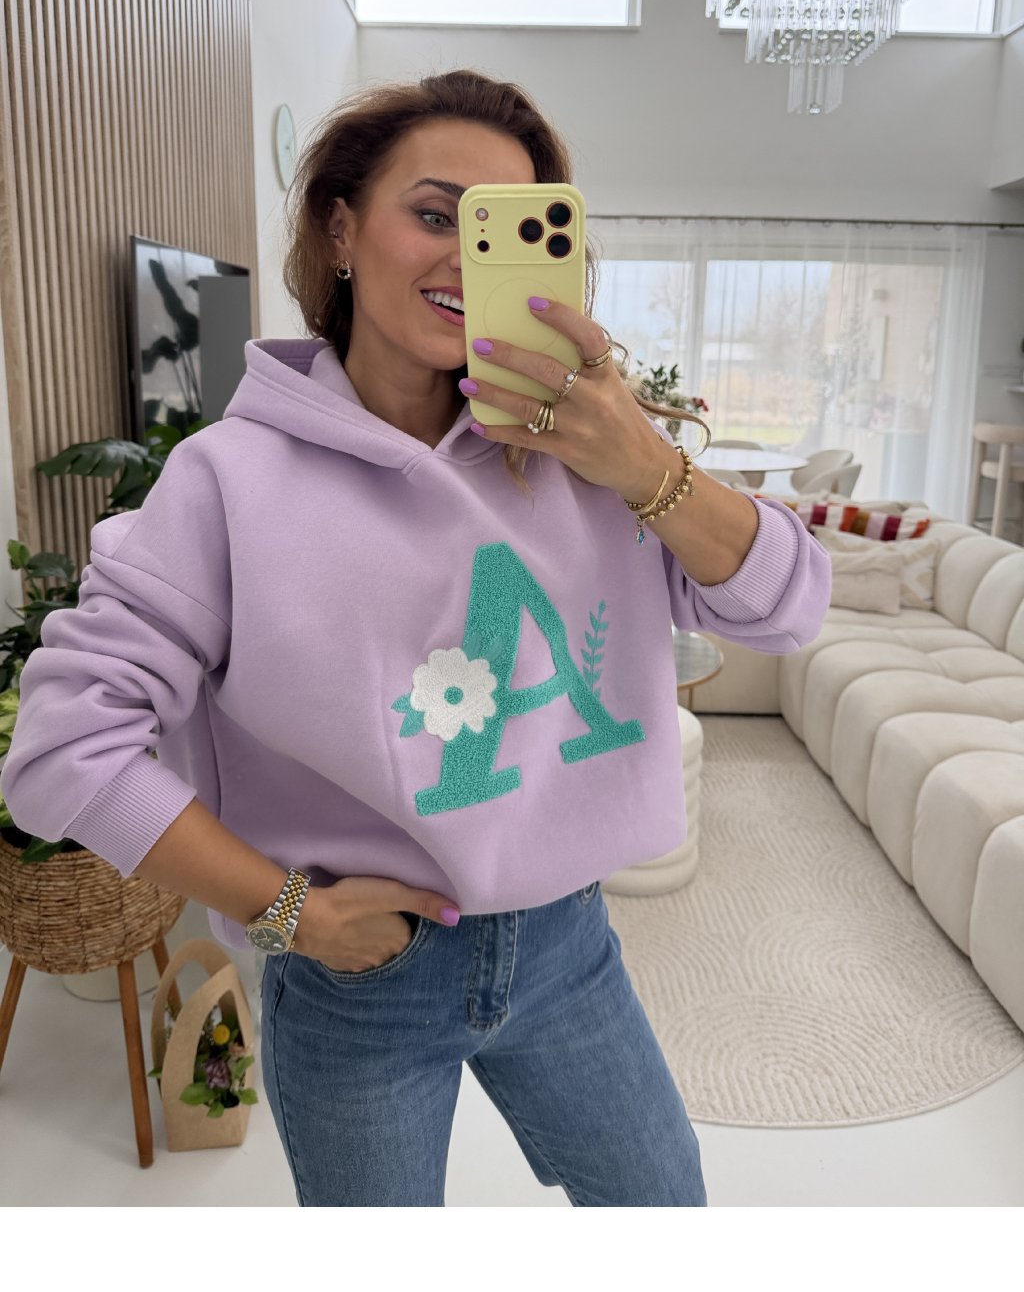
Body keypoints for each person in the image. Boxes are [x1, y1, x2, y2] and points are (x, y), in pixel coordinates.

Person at [3, 69, 831, 1207]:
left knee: (663, 1210)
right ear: (340, 228)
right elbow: (61, 752)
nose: (466, 260)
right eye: (436, 215)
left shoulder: (593, 453)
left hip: (569, 947)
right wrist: (285, 910)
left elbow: (785, 609)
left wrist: (641, 459)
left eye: (507, 231)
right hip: (359, 977)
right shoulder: (225, 481)